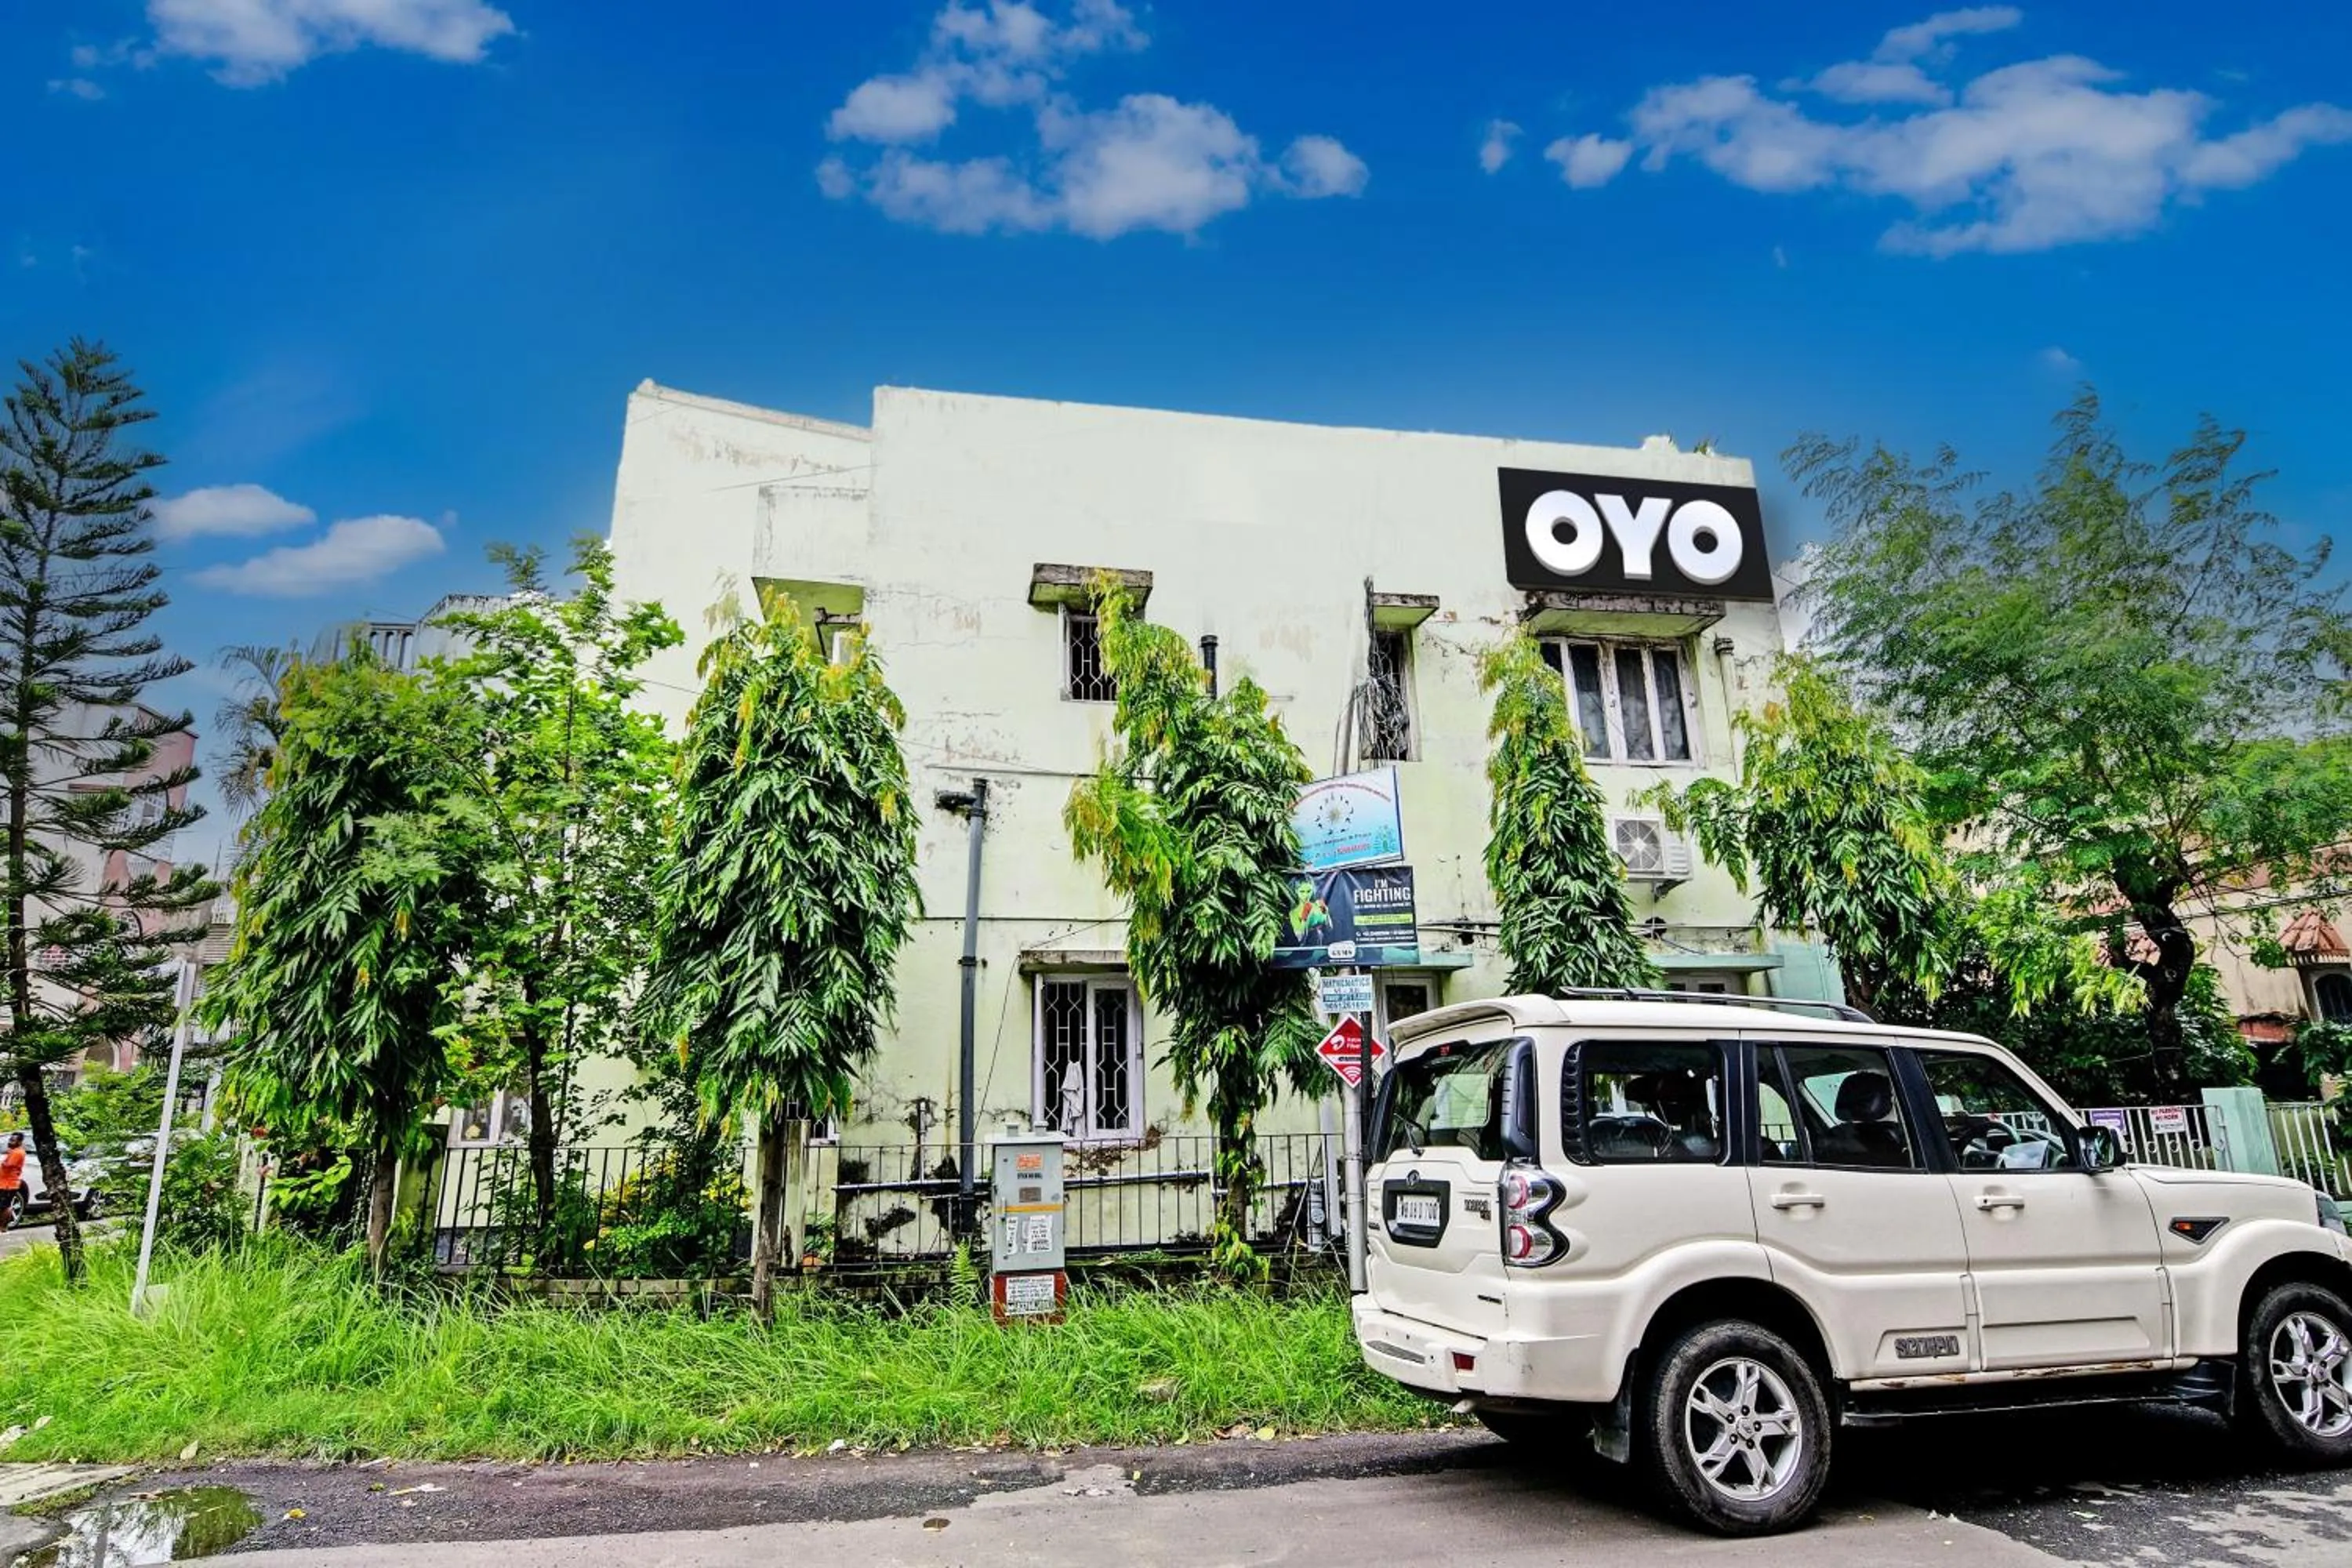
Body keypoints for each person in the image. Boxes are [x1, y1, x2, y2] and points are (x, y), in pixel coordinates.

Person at [0, 1132, 27, 1230]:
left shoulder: (17, 1152)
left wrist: (4, 1163)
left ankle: (3, 1226)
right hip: (5, 1183)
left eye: (13, 1140)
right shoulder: (14, 1151)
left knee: (5, 1206)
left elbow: (8, 1165)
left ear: (19, 1142)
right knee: (3, 1205)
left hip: (9, 1184)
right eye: (10, 1140)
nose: (10, 1142)